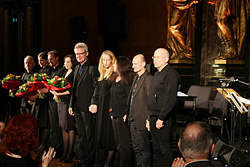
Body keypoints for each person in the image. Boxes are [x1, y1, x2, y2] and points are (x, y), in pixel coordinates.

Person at [147, 48, 180, 167]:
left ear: (166, 59)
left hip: (162, 118)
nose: (154, 60)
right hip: (153, 116)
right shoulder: (157, 74)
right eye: (153, 57)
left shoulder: (170, 73)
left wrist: (162, 117)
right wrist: (149, 117)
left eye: (157, 57)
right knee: (156, 148)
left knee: (164, 148)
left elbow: (170, 98)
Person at [69, 42, 99, 167]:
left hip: (88, 107)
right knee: (81, 135)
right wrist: (71, 105)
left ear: (87, 53)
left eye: (81, 54)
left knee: (89, 135)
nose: (79, 56)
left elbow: (96, 87)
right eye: (77, 54)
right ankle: (83, 159)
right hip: (77, 106)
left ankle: (89, 161)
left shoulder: (92, 67)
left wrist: (93, 103)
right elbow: (74, 88)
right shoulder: (76, 68)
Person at [125, 54, 152, 167]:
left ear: (143, 64)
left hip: (142, 119)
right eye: (132, 63)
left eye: (135, 64)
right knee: (136, 147)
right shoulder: (136, 77)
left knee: (143, 148)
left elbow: (150, 101)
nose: (133, 66)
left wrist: (148, 119)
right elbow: (132, 97)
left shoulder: (149, 78)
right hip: (133, 118)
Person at [90, 50, 116, 167]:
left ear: (112, 60)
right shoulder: (101, 74)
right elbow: (96, 92)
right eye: (103, 59)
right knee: (100, 135)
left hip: (109, 109)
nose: (105, 62)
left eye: (108, 59)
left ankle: (108, 163)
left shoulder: (114, 74)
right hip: (100, 109)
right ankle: (101, 162)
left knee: (109, 136)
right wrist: (93, 103)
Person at [109, 56, 135, 167]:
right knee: (118, 142)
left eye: (115, 63)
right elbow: (112, 96)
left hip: (122, 114)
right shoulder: (115, 77)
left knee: (124, 143)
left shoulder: (127, 79)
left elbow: (128, 98)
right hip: (114, 113)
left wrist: (126, 113)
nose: (113, 65)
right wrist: (110, 111)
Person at [50, 54, 76, 163]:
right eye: (65, 62)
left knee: (69, 127)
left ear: (73, 62)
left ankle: (70, 152)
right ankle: (65, 152)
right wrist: (56, 92)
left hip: (68, 102)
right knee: (63, 128)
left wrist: (58, 93)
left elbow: (72, 90)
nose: (66, 64)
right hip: (61, 102)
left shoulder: (74, 73)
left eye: (68, 62)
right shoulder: (65, 72)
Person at [30, 52, 52, 153]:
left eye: (41, 60)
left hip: (46, 100)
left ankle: (44, 144)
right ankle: (38, 144)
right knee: (38, 123)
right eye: (38, 61)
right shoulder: (39, 71)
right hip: (38, 100)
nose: (40, 62)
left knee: (45, 123)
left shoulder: (50, 70)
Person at [47, 50, 64, 156]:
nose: (49, 61)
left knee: (58, 127)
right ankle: (55, 148)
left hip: (58, 102)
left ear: (57, 58)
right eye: (48, 59)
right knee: (53, 126)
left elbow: (61, 85)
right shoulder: (50, 70)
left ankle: (60, 150)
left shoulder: (61, 70)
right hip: (51, 101)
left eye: (51, 59)